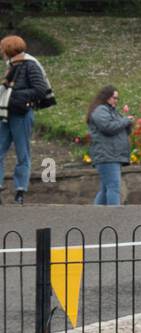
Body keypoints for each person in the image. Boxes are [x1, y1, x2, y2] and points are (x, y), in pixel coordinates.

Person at [1, 34, 52, 206]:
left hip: (21, 113)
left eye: (2, 48)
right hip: (5, 113)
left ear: (9, 49)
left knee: (23, 153)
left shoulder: (30, 65)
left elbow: (40, 89)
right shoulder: (11, 66)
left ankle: (20, 190)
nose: (1, 52)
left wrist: (16, 96)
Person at [85, 86, 133, 206]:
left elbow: (119, 129)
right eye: (114, 98)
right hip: (107, 155)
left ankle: (96, 217)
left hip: (112, 154)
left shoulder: (111, 111)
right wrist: (125, 121)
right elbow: (107, 127)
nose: (116, 101)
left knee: (106, 189)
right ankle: (113, 219)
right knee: (114, 188)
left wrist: (127, 124)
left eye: (117, 98)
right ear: (106, 97)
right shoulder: (100, 110)